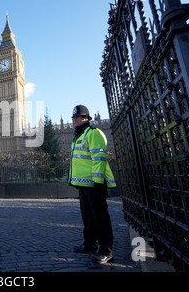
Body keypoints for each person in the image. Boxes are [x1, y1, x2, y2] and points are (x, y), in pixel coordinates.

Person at [69, 105, 116, 264]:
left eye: (78, 117)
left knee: (100, 217)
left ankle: (106, 250)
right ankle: (90, 244)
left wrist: (97, 182)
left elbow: (99, 158)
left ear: (86, 118)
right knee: (88, 217)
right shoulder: (78, 136)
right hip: (83, 185)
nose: (76, 120)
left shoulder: (94, 133)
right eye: (74, 118)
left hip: (95, 184)